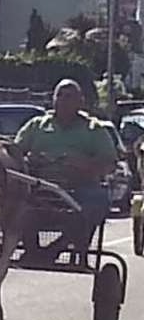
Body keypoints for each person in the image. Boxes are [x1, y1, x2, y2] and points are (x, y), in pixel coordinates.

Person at [15, 78, 117, 260]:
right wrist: (29, 161)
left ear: (81, 101)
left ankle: (53, 251)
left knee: (98, 199)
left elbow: (110, 164)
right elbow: (14, 153)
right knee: (15, 204)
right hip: (40, 186)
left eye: (69, 96)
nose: (63, 100)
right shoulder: (37, 125)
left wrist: (86, 164)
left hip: (79, 188)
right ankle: (32, 251)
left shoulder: (94, 129)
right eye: (59, 95)